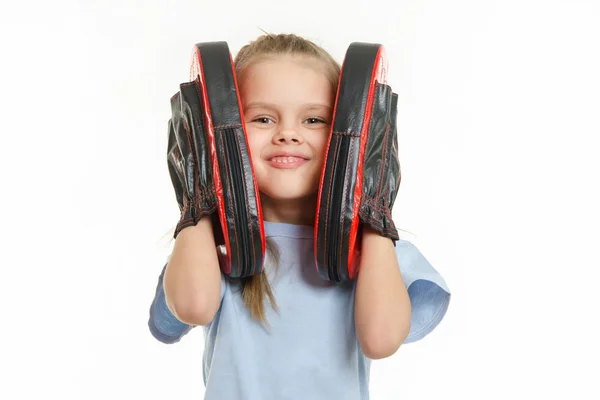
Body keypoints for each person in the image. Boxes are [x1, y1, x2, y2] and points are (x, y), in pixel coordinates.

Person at [148, 33, 451, 399]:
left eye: (313, 120)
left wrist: (371, 208)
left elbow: (381, 339)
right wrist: (200, 193)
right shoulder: (210, 248)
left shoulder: (377, 252)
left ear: (352, 134)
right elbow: (192, 306)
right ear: (223, 132)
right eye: (262, 118)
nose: (288, 134)